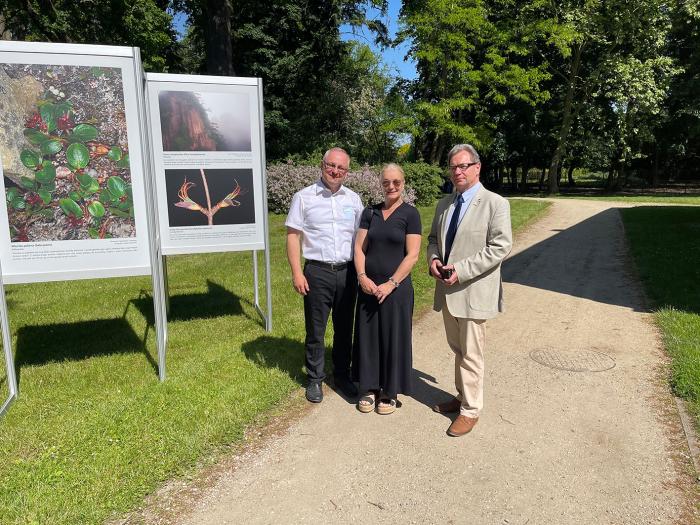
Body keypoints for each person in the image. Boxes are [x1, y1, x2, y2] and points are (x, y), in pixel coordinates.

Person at [427, 144, 512, 436]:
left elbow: (500, 246)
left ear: (477, 168)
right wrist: (434, 260)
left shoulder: (495, 204)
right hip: (448, 292)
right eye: (453, 167)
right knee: (458, 349)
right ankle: (462, 395)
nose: (458, 172)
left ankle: (471, 410)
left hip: (473, 290)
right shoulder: (444, 204)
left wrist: (461, 271)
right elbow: (433, 240)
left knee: (472, 353)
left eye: (463, 166)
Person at [286, 147, 364, 403]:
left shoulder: (353, 200)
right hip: (317, 271)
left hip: (347, 273)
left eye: (341, 168)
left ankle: (342, 375)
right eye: (331, 165)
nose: (335, 171)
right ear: (322, 165)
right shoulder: (304, 197)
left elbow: (361, 238)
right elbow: (293, 236)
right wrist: (297, 272)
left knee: (344, 328)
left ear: (347, 172)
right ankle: (315, 379)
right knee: (316, 330)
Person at [352, 164, 422, 414]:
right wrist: (362, 276)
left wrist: (391, 283)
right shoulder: (370, 212)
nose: (391, 187)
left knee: (393, 338)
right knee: (368, 338)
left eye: (396, 182)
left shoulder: (410, 214)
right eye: (386, 182)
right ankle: (369, 387)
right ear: (380, 184)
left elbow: (412, 255)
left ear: (403, 183)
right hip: (369, 287)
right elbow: (359, 248)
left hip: (397, 289)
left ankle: (389, 391)